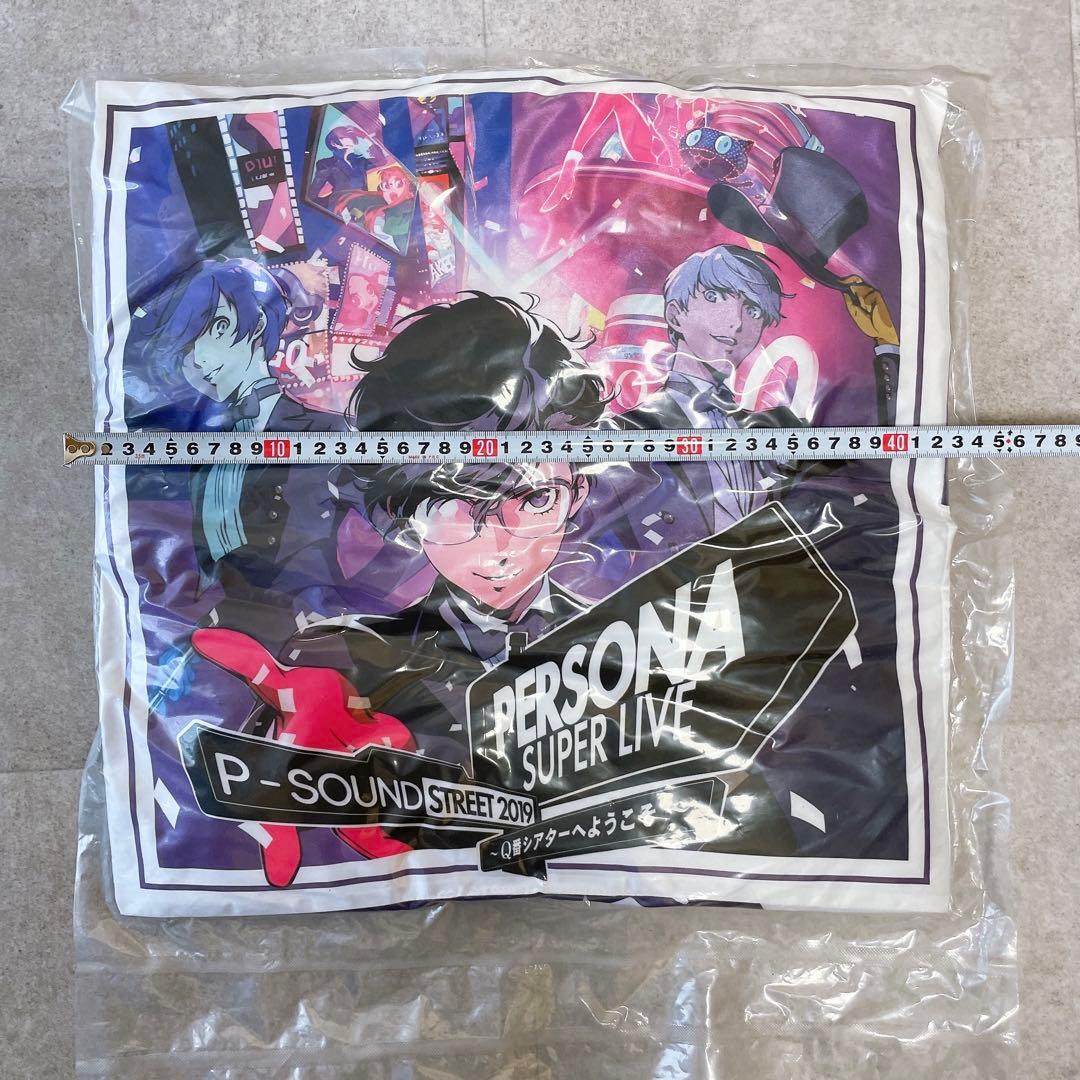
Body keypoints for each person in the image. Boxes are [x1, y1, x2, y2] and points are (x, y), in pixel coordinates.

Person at [192, 292, 607, 885]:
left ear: (578, 492)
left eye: (535, 499)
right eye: (457, 506)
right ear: (402, 513)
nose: (502, 541)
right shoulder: (344, 661)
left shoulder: (635, 638)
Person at [148, 258, 348, 646]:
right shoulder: (203, 451)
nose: (198, 358)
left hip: (313, 634)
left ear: (256, 323)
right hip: (223, 633)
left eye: (217, 329)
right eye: (187, 346)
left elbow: (393, 515)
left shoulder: (327, 432)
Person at [309, 124, 380, 207]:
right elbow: (312, 196)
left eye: (351, 136)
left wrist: (364, 136)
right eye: (344, 136)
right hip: (342, 209)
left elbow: (381, 161)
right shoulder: (326, 164)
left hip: (363, 206)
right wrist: (334, 203)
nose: (350, 138)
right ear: (333, 143)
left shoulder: (359, 161)